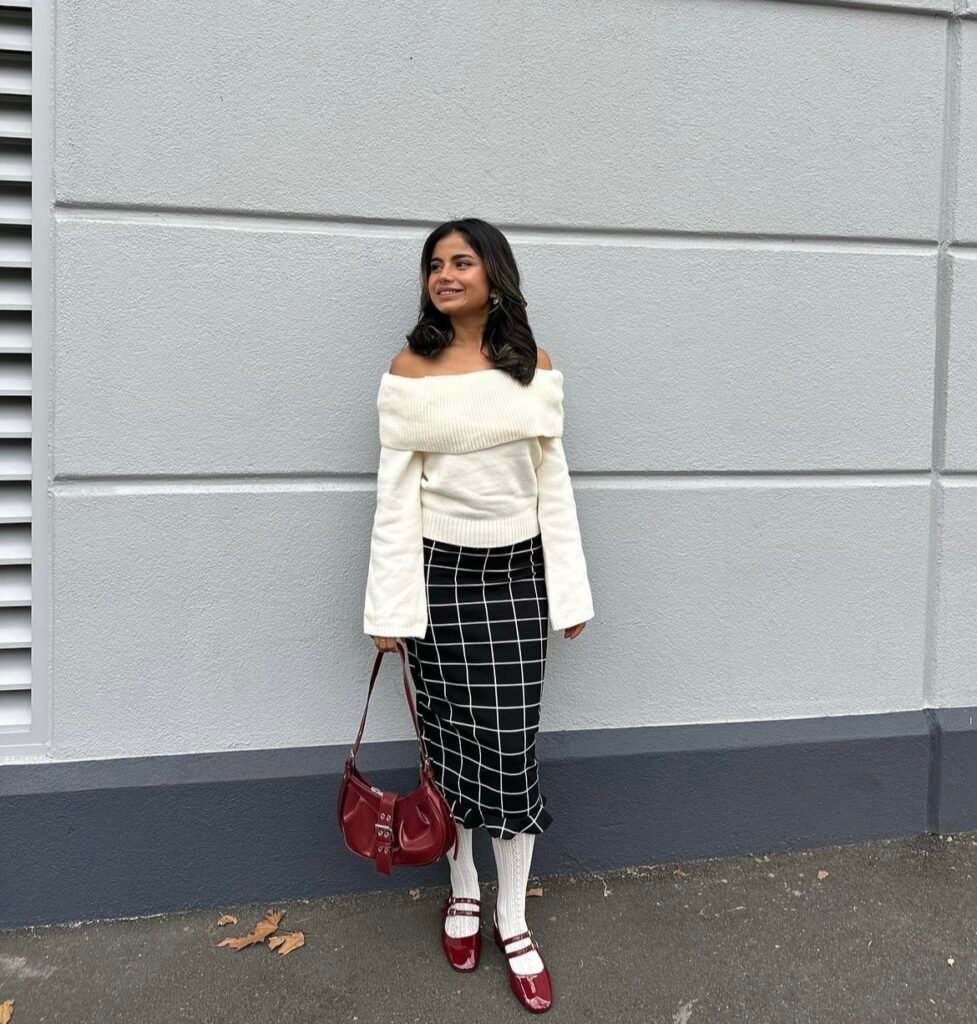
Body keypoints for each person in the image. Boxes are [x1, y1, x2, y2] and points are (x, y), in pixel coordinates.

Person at [363, 217, 594, 1015]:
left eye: (460, 261)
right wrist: (388, 608)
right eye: (434, 264)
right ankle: (463, 893)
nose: (444, 274)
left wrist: (567, 592)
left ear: (494, 274)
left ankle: (512, 916)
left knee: (508, 748)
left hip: (517, 576)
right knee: (449, 748)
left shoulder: (534, 371)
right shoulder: (410, 371)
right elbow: (395, 503)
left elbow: (551, 490)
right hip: (438, 577)